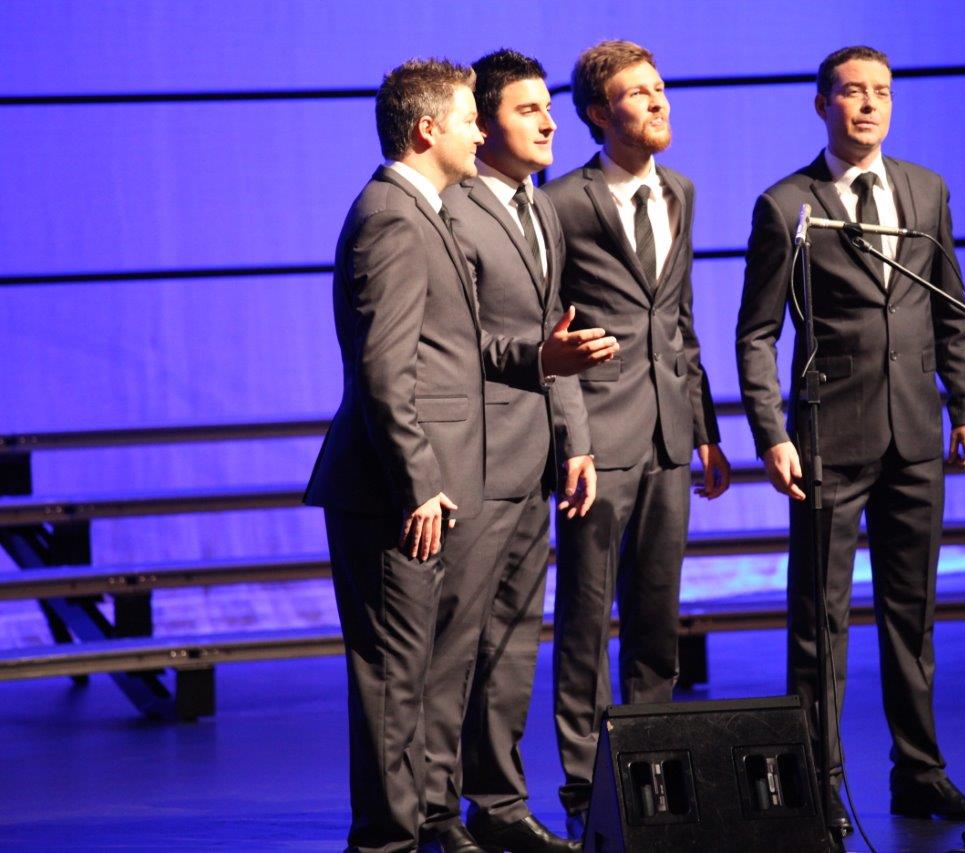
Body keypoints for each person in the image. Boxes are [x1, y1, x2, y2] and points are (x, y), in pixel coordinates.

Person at [305, 58, 614, 853]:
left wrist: (542, 361)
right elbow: (385, 370)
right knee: (392, 678)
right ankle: (387, 842)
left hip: (432, 480)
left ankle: (420, 824)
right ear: (426, 129)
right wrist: (419, 483)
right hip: (394, 490)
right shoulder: (392, 217)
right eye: (470, 119)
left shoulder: (423, 211)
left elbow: (455, 347)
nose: (480, 133)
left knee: (421, 672)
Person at [735, 45, 965, 833]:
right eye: (852, 92)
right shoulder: (788, 204)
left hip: (915, 433)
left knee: (911, 615)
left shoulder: (926, 188)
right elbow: (756, 333)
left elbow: (951, 306)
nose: (868, 105)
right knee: (819, 622)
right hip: (829, 437)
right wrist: (771, 432)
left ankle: (919, 771)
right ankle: (818, 780)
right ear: (822, 104)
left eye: (880, 92)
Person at [543, 39, 731, 833]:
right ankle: (585, 785)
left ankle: (649, 768)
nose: (658, 101)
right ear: (598, 112)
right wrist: (572, 438)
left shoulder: (680, 190)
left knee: (657, 617)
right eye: (637, 92)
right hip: (597, 437)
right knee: (586, 617)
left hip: (668, 435)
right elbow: (552, 331)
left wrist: (706, 428)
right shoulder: (562, 202)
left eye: (660, 87)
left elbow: (679, 320)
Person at [421, 48, 601, 853]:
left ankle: (497, 802)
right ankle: (432, 810)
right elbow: (451, 342)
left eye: (549, 107)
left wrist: (576, 439)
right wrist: (541, 360)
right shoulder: (449, 208)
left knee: (512, 642)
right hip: (471, 458)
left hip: (533, 457)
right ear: (483, 125)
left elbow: (554, 329)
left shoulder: (540, 207)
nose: (550, 123)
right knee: (454, 642)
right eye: (529, 110)